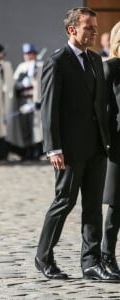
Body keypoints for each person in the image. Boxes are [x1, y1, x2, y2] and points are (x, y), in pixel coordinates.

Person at [35, 7, 119, 281]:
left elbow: (101, 105)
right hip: (70, 150)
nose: (94, 31)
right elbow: (48, 108)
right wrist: (54, 148)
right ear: (72, 30)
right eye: (88, 27)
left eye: (95, 27)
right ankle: (43, 257)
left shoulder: (96, 60)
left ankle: (91, 263)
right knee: (64, 201)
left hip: (97, 146)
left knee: (93, 205)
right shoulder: (57, 62)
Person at [101, 21, 120, 276]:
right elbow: (102, 110)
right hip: (118, 144)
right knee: (117, 204)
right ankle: (107, 255)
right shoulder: (111, 67)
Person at [7, 43, 43, 161]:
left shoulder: (40, 66)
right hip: (23, 101)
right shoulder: (21, 67)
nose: (27, 56)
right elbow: (15, 84)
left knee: (37, 127)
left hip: (34, 101)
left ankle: (37, 150)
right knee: (25, 127)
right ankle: (27, 149)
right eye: (26, 54)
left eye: (30, 53)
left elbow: (41, 85)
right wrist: (21, 84)